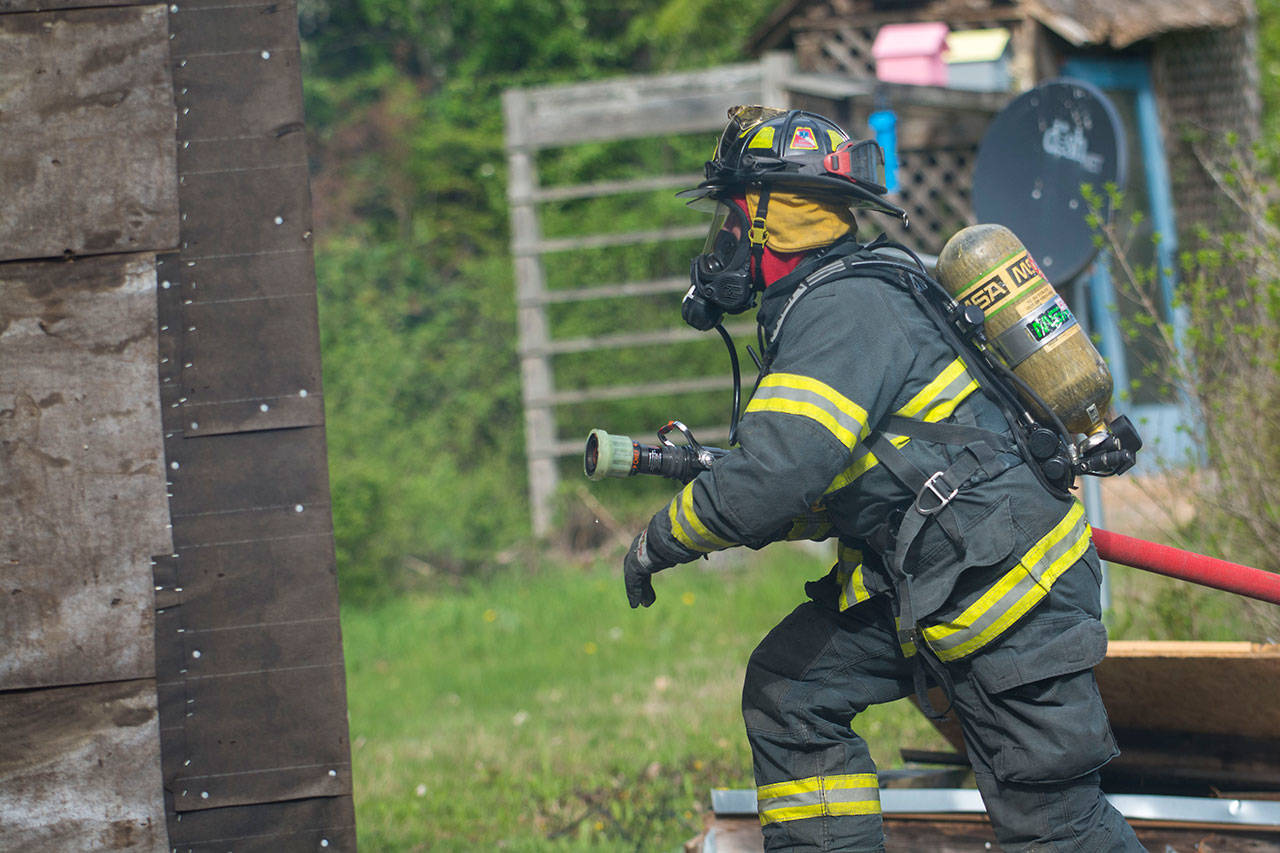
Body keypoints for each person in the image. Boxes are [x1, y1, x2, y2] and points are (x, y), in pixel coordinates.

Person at [620, 106, 1145, 852]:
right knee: (790, 690)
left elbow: (774, 475)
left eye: (733, 220)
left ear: (778, 219)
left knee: (1052, 823)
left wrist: (657, 541)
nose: (723, 243)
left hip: (1010, 595)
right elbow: (821, 486)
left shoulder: (843, 312)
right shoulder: (850, 293)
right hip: (933, 580)